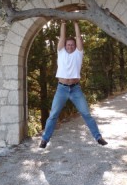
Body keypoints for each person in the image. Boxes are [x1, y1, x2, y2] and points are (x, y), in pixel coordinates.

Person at [39, 20, 108, 148]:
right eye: (68, 45)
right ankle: (44, 140)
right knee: (53, 115)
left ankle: (98, 138)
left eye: (72, 45)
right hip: (62, 89)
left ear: (75, 46)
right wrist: (63, 24)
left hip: (75, 89)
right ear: (65, 46)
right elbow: (62, 37)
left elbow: (79, 38)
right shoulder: (61, 52)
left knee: (86, 114)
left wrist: (76, 24)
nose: (70, 46)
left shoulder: (78, 53)